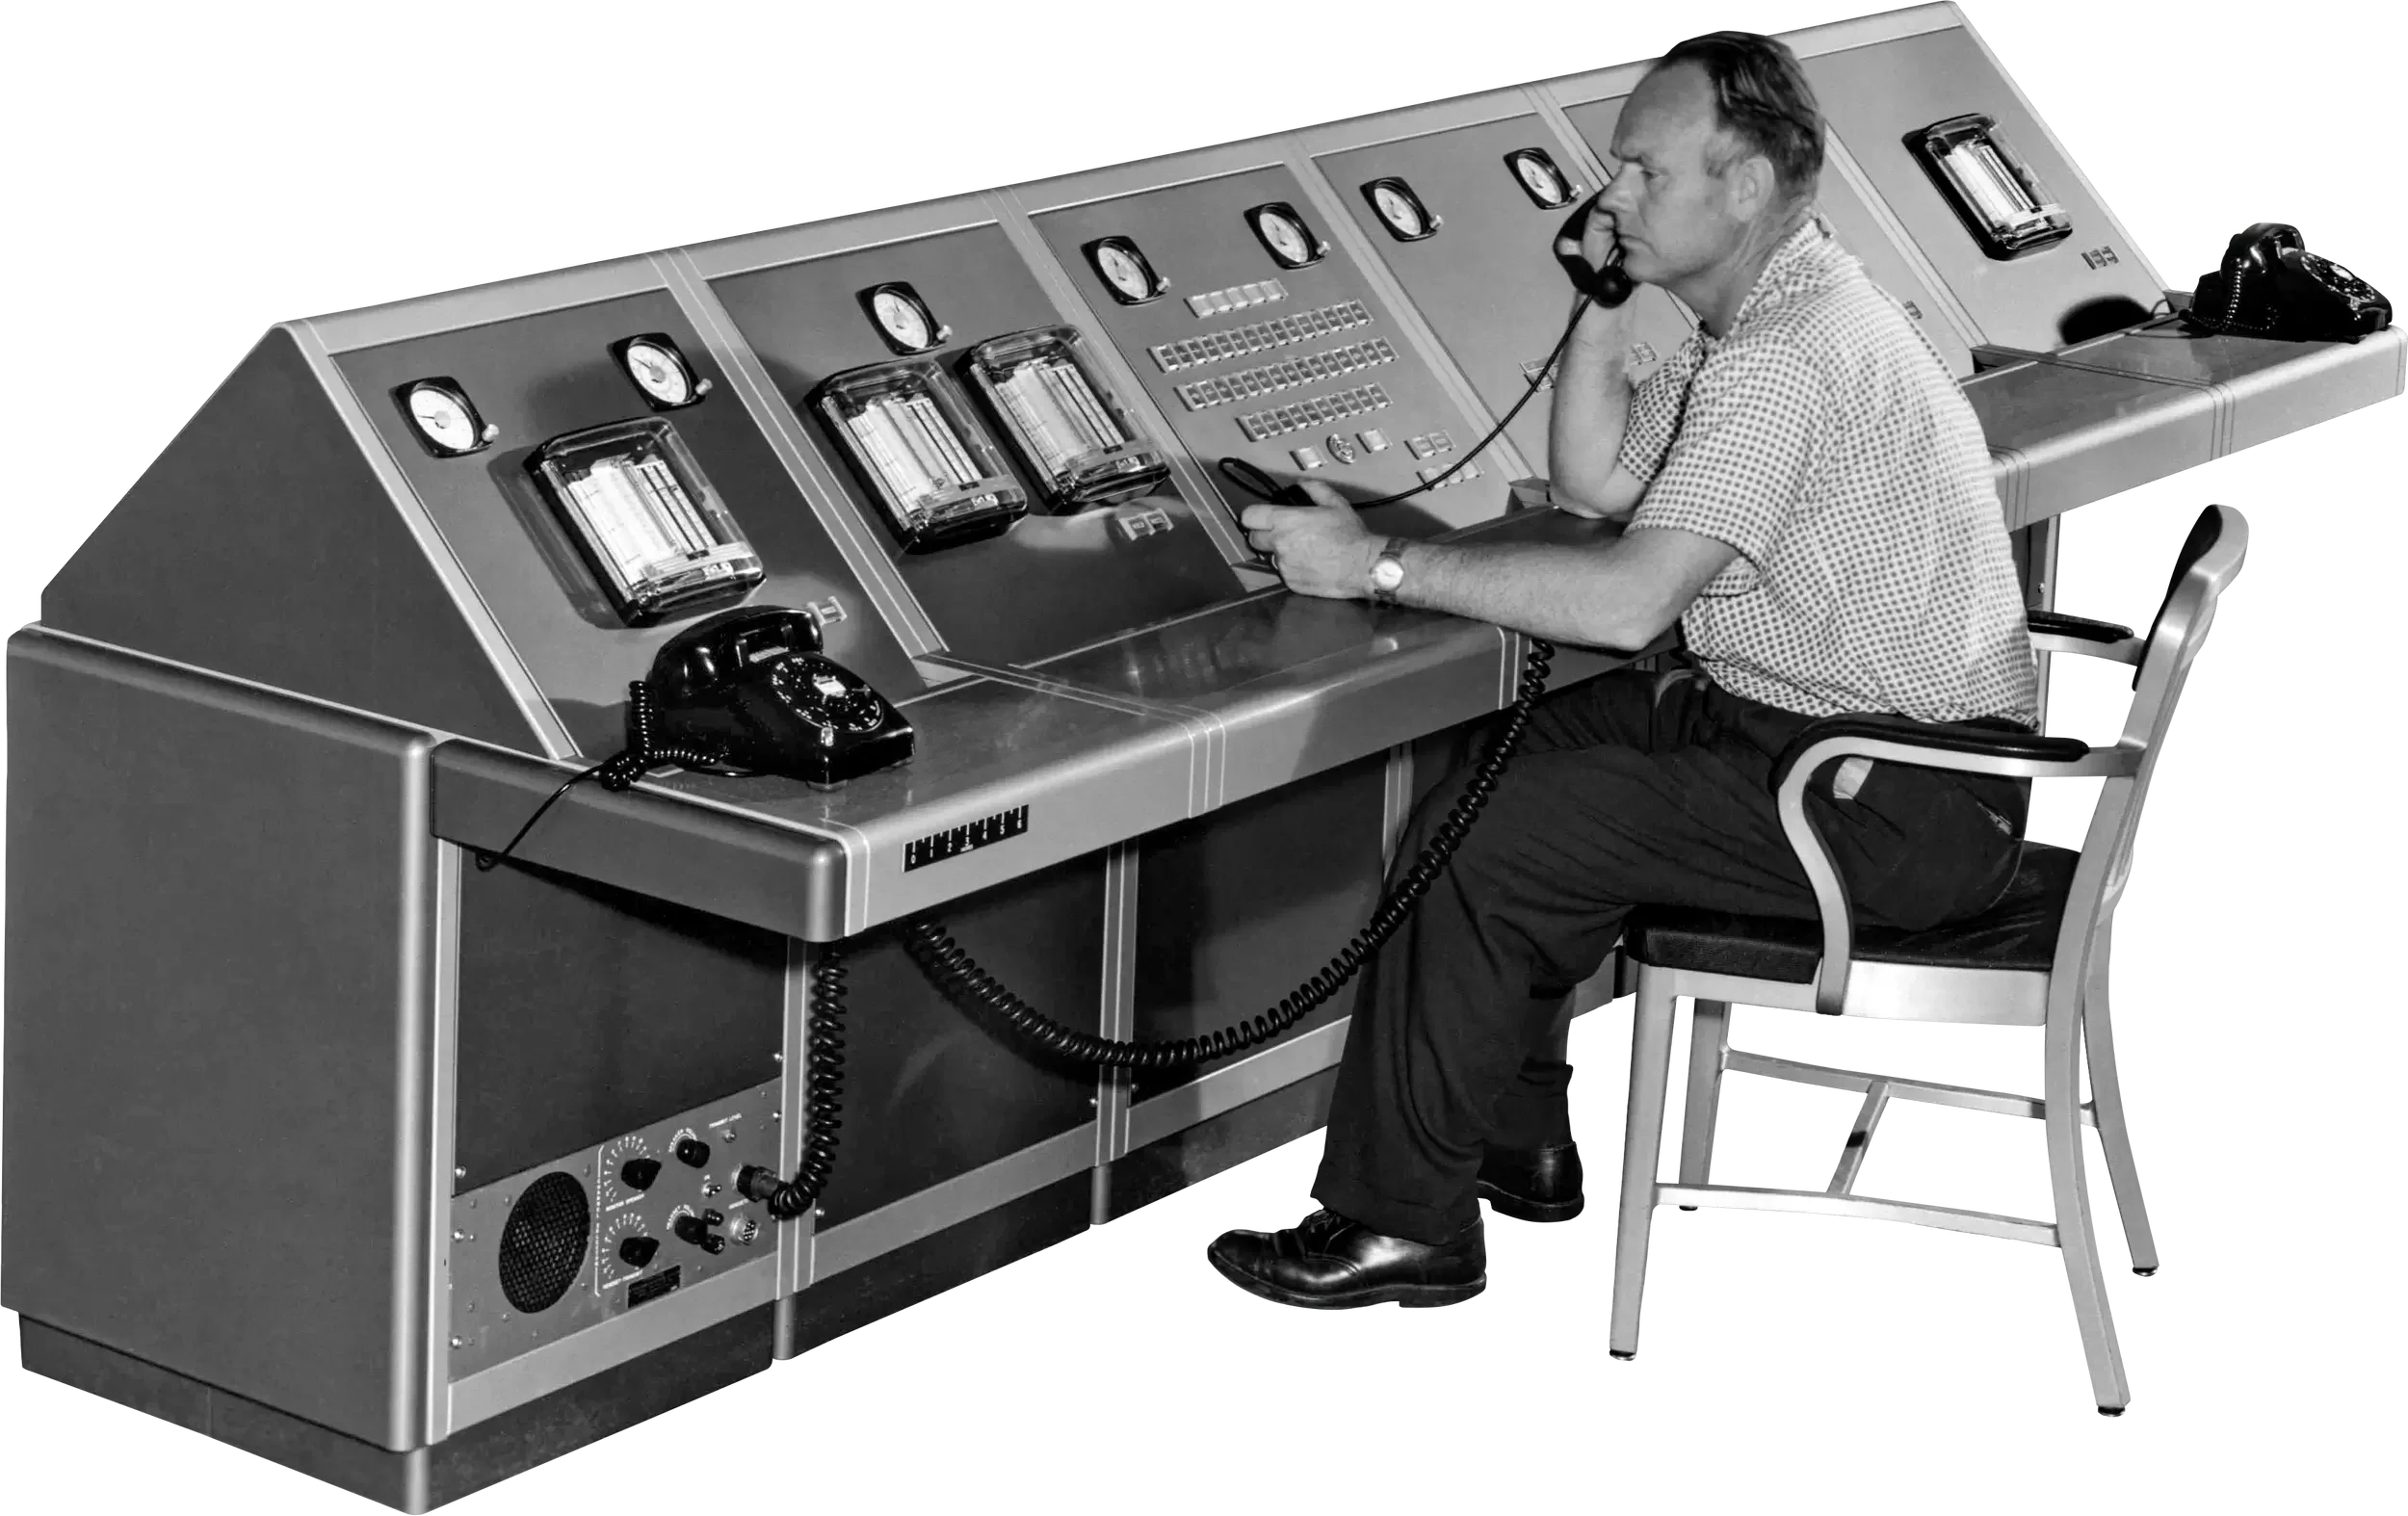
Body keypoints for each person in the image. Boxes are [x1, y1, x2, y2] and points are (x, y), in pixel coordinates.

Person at [1204, 29, 2039, 1309]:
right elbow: (1597, 484)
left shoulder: (1784, 359)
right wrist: (1604, 299)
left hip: (1893, 802)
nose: (1614, 194)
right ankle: (1514, 1137)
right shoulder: (1771, 316)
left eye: (1647, 172)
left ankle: (1400, 1220)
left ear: (1746, 186)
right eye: (1615, 168)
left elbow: (1627, 599)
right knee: (1508, 758)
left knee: (1503, 836)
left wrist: (1372, 563)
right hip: (1827, 746)